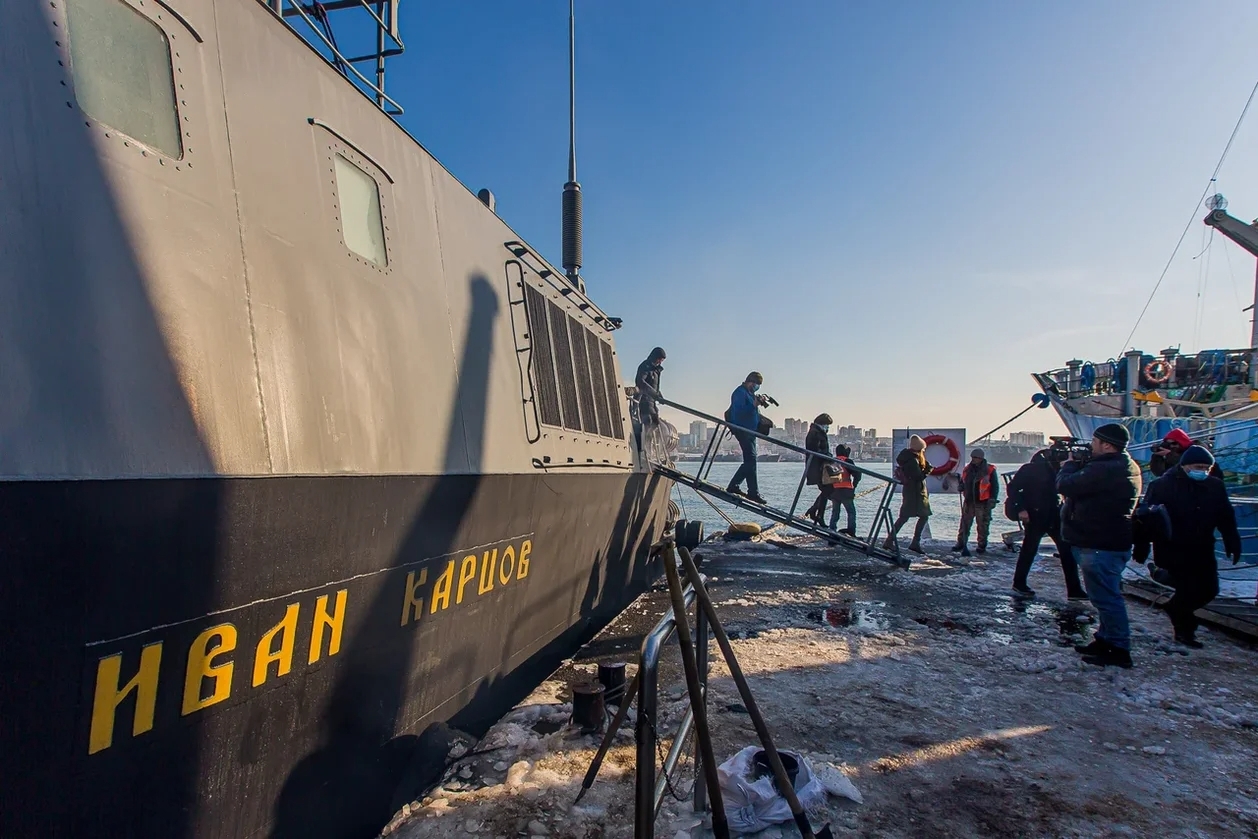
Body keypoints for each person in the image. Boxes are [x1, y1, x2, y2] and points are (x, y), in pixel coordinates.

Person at [1133, 445, 1241, 648]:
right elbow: (1145, 517)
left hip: (1203, 546)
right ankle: (1185, 632)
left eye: (1206, 467)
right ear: (1184, 466)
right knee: (1187, 588)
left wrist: (1232, 539)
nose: (1202, 470)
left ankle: (1174, 608)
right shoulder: (1163, 485)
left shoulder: (1214, 486)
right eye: (1198, 466)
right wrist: (1141, 545)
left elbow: (1225, 515)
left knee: (1209, 589)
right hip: (1173, 546)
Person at [1056, 423, 1142, 668]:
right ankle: (1106, 638)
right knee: (1102, 595)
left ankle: (1118, 647)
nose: (1091, 445)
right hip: (1103, 540)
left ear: (1106, 444)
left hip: (1101, 542)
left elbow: (1065, 485)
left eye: (1094, 441)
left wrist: (1069, 465)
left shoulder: (1107, 469)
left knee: (1107, 598)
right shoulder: (1121, 466)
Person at [1005, 448, 1087, 601]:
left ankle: (1074, 589)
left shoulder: (1059, 470)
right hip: (1035, 514)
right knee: (1029, 549)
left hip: (1054, 514)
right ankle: (1019, 583)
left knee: (1066, 550)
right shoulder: (1031, 470)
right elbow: (1013, 488)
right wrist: (1021, 509)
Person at [726, 372, 769, 505]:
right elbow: (739, 412)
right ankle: (734, 485)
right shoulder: (739, 393)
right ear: (750, 382)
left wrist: (758, 402)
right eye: (756, 385)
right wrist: (754, 404)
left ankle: (753, 492)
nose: (756, 387)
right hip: (742, 430)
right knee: (750, 461)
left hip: (751, 431)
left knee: (752, 462)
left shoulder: (750, 394)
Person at [884, 435, 932, 554]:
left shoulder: (908, 458)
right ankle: (910, 542)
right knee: (913, 517)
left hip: (912, 492)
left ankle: (891, 541)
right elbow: (918, 476)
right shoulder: (912, 460)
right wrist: (928, 470)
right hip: (915, 493)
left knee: (907, 517)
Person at [952, 448, 999, 558]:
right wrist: (961, 486)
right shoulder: (967, 469)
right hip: (968, 501)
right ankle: (961, 543)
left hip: (982, 502)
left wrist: (992, 499)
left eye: (976, 458)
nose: (974, 459)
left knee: (982, 525)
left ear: (981, 458)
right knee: (964, 524)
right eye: (973, 457)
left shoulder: (989, 470)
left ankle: (981, 545)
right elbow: (963, 481)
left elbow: (995, 486)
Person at [1150, 428, 1224, 479]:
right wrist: (1157, 456)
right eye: (1169, 444)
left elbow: (1185, 462)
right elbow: (1159, 473)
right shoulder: (1173, 454)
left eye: (1174, 443)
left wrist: (1169, 454)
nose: (1172, 446)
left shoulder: (1197, 449)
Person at [803, 414, 834, 525]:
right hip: (817, 467)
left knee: (827, 490)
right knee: (827, 490)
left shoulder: (817, 432)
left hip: (821, 466)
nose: (828, 427)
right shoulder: (814, 433)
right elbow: (814, 450)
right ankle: (816, 513)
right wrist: (827, 456)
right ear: (822, 423)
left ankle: (816, 512)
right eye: (827, 425)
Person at [633, 347, 665, 452]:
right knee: (648, 421)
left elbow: (654, 385)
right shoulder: (645, 366)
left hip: (651, 400)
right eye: (660, 359)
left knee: (656, 422)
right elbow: (641, 382)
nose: (660, 362)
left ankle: (648, 444)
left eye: (662, 360)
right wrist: (654, 393)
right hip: (643, 399)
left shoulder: (655, 370)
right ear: (655, 357)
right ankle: (643, 447)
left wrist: (659, 395)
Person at [828, 444, 861, 535]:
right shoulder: (847, 461)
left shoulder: (833, 462)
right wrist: (854, 485)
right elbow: (857, 474)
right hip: (846, 490)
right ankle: (851, 531)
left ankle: (832, 531)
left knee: (835, 513)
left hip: (835, 491)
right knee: (851, 512)